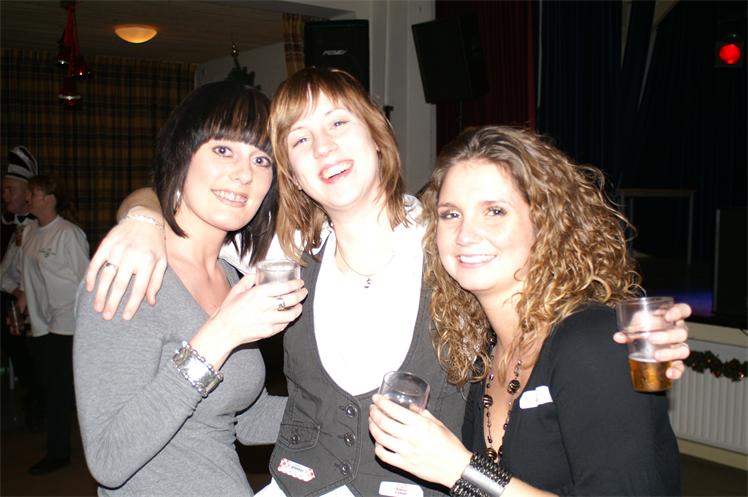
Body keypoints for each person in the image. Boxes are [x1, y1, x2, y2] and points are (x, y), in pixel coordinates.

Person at [82, 69, 691, 497]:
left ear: (377, 136)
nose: (323, 148)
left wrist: (621, 334)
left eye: (338, 123)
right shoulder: (279, 250)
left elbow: (537, 275)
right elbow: (196, 213)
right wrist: (141, 220)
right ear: (291, 172)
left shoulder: (449, 238)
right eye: (299, 140)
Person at [368, 126, 685, 496]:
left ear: (545, 224)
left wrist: (459, 470)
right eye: (451, 214)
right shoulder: (484, 356)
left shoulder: (591, 343)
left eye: (494, 211)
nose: (465, 235)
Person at [73, 81, 307, 496]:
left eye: (261, 159)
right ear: (182, 153)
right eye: (223, 150)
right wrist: (222, 333)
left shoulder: (229, 275)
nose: (244, 173)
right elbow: (108, 459)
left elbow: (244, 419)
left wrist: (351, 411)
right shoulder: (132, 273)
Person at [16, 175, 89, 474]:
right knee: (52, 387)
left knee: (58, 390)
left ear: (50, 199)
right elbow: (27, 274)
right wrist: (22, 299)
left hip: (67, 323)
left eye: (33, 193)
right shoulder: (30, 231)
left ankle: (58, 453)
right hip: (40, 321)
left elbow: (86, 280)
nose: (27, 198)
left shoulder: (69, 234)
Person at [0, 145, 41, 431]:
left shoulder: (40, 228)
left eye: (9, 190)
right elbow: (5, 271)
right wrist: (15, 291)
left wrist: (20, 293)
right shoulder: (14, 226)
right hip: (16, 299)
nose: (4, 196)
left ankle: (37, 397)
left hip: (36, 304)